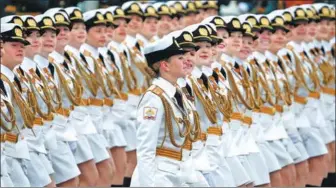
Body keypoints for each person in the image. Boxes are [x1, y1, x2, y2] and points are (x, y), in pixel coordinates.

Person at [131, 33, 194, 187]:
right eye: (180, 58)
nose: (186, 60)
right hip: (159, 176)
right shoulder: (154, 97)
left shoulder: (177, 92)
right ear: (165, 66)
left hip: (179, 171)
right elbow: (146, 149)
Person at [62, 7, 101, 187]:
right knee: (85, 177)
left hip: (86, 118)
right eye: (74, 28)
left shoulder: (76, 56)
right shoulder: (62, 58)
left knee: (100, 172)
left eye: (82, 28)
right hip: (70, 123)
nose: (80, 32)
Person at [1, 23, 31, 188]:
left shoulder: (13, 78)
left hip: (15, 148)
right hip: (8, 151)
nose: (20, 49)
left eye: (22, 46)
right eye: (14, 45)